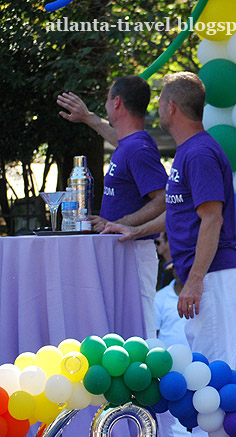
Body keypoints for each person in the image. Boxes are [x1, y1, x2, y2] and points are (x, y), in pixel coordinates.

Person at [104, 72, 236, 437]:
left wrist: (196, 279)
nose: (156, 108)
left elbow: (212, 218)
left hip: (212, 274)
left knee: (216, 363)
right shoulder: (187, 152)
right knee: (206, 359)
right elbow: (177, 213)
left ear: (172, 108)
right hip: (204, 274)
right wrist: (133, 228)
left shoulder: (198, 153)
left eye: (161, 100)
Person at [57, 76, 168, 338]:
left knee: (140, 327)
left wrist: (121, 223)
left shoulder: (139, 148)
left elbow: (163, 199)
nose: (105, 104)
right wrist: (87, 117)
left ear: (117, 102)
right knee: (123, 329)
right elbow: (119, 139)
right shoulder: (131, 143)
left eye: (107, 99)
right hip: (124, 250)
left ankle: (149, 378)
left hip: (136, 251)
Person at [153, 270, 196, 437]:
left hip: (196, 363)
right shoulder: (161, 297)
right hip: (167, 365)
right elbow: (152, 331)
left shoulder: (201, 295)